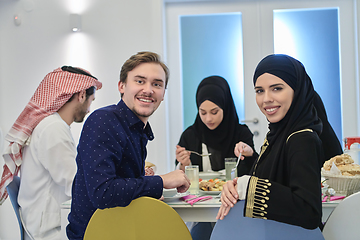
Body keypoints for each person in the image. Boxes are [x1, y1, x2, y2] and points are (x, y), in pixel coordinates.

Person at [66, 51, 190, 240]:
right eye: (140, 81)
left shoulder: (136, 128)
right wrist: (162, 181)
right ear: (121, 86)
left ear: (163, 93)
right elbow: (103, 192)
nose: (148, 90)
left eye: (157, 84)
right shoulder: (103, 121)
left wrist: (147, 192)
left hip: (122, 227)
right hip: (96, 234)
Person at [217, 54, 332, 230]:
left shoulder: (302, 138)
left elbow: (308, 210)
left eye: (277, 88)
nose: (266, 99)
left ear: (297, 89)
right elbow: (273, 179)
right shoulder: (279, 133)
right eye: (259, 91)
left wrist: (248, 188)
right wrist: (237, 185)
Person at [0, 66, 102, 240]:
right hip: (49, 231)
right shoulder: (53, 128)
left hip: (39, 221)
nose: (89, 109)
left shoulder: (51, 125)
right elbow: (75, 185)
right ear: (81, 95)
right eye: (91, 100)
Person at [175, 76, 258, 240]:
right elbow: (181, 179)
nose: (208, 119)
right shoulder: (190, 135)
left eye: (214, 112)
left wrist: (249, 154)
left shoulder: (241, 134)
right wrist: (184, 164)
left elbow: (254, 172)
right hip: (200, 208)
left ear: (225, 107)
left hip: (234, 204)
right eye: (202, 112)